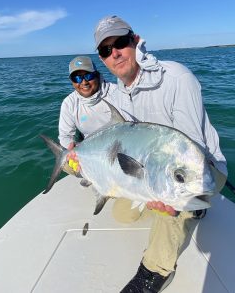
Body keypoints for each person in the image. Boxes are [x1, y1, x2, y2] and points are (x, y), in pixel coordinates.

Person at [91, 15, 227, 292]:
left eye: (120, 42)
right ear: (102, 59)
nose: (115, 53)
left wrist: (170, 196)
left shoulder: (176, 77)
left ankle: (155, 269)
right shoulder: (117, 95)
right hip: (155, 169)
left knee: (171, 205)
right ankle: (179, 205)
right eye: (105, 50)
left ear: (136, 41)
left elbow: (190, 151)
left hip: (197, 171)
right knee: (123, 214)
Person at [58, 55, 116, 160]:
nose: (84, 82)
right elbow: (65, 136)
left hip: (119, 150)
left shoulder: (117, 93)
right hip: (90, 155)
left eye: (88, 76)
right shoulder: (69, 103)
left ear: (97, 75)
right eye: (77, 78)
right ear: (72, 81)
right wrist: (71, 149)